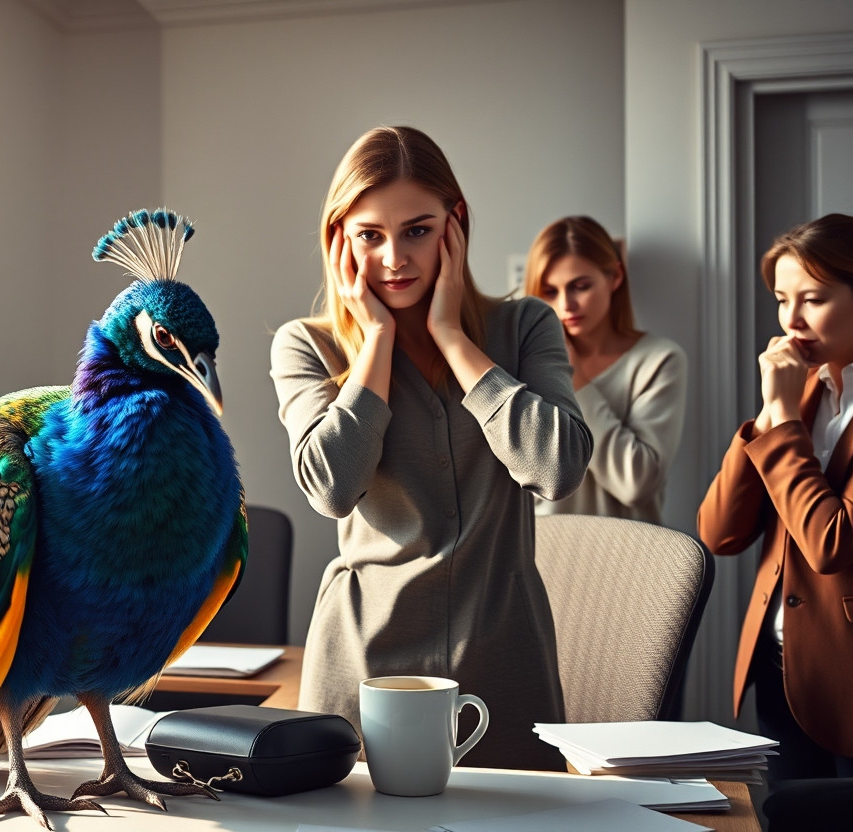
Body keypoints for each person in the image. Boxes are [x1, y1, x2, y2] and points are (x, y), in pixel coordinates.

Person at [269, 126, 592, 770]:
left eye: (417, 230)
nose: (394, 258)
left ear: (456, 222)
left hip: (503, 664)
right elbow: (332, 488)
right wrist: (376, 343)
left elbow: (556, 468)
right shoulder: (306, 345)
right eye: (370, 235)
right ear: (339, 240)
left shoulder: (526, 325)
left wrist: (452, 338)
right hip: (363, 667)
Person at [698, 205, 853, 787]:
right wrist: (770, 415)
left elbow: (831, 542)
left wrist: (781, 418)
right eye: (782, 299)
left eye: (813, 299)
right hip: (781, 671)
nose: (791, 320)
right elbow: (720, 532)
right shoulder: (802, 388)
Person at [524, 216, 687, 523]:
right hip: (541, 548)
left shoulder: (659, 360)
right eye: (550, 292)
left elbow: (635, 484)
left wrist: (572, 375)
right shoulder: (525, 363)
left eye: (580, 287)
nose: (566, 305)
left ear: (615, 277)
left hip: (627, 549)